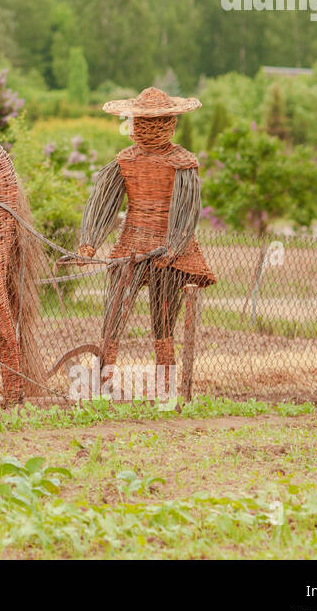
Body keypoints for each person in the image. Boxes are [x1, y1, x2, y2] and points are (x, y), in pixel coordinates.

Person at [75, 87, 216, 389]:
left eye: (158, 122)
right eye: (144, 122)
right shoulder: (124, 162)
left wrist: (174, 248)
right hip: (130, 246)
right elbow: (103, 204)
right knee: (113, 315)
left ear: (171, 123)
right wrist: (89, 244)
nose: (150, 129)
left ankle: (166, 387)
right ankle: (103, 381)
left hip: (169, 253)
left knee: (164, 321)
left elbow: (188, 211)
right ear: (135, 123)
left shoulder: (182, 163)